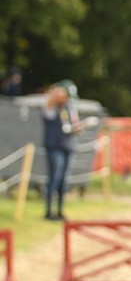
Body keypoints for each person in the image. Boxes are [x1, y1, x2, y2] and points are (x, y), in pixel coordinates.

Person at [42, 80, 95, 221]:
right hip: (55, 147)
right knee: (54, 179)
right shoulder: (52, 107)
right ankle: (48, 212)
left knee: (63, 181)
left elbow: (73, 126)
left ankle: (60, 211)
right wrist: (57, 91)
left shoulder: (70, 107)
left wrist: (83, 125)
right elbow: (49, 102)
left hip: (68, 147)